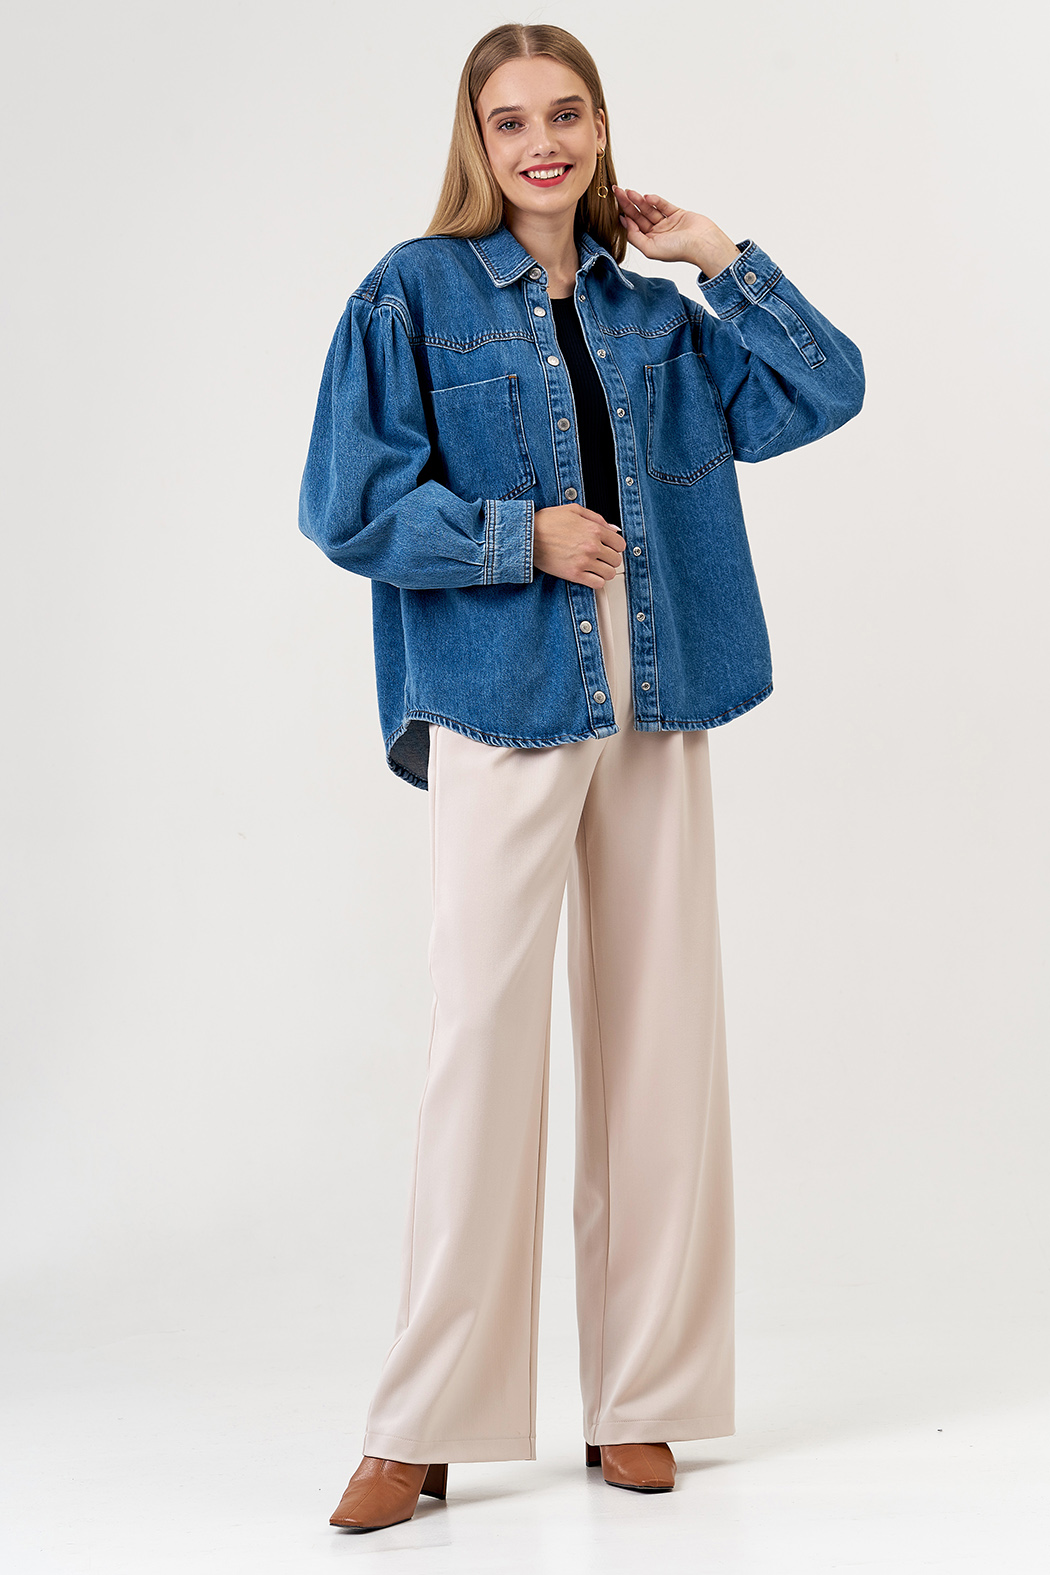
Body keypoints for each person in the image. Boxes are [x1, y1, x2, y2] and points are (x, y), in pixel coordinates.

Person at [299, 21, 864, 1534]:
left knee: (660, 1038)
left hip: (660, 674)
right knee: (482, 1044)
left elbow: (826, 391)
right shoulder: (410, 294)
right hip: (504, 685)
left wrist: (719, 255)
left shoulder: (653, 311)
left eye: (565, 115)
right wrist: (517, 537)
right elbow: (346, 504)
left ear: (600, 128)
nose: (540, 143)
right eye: (510, 121)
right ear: (475, 140)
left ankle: (644, 1400)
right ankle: (422, 1425)